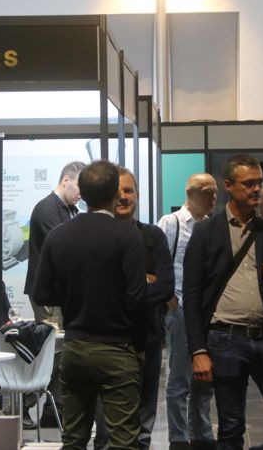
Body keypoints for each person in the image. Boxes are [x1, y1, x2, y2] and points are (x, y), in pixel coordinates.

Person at [184, 154, 263, 450]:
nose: (257, 189)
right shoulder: (206, 232)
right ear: (228, 186)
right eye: (249, 183)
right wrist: (199, 350)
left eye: (259, 182)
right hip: (224, 340)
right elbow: (192, 294)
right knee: (230, 428)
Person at [32, 160, 147, 450]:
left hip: (75, 347)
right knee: (123, 441)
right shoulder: (128, 235)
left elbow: (41, 293)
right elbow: (137, 298)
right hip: (117, 348)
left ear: (82, 192)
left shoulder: (59, 235)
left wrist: (73, 296)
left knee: (73, 439)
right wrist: (140, 346)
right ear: (115, 193)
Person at [93, 167, 175, 450]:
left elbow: (165, 287)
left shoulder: (153, 236)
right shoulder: (95, 239)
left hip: (148, 339)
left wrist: (120, 288)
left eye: (128, 190)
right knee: (106, 428)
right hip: (106, 342)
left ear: (137, 195)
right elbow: (93, 289)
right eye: (116, 192)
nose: (123, 197)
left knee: (143, 423)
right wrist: (144, 281)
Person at [157, 173, 218, 450]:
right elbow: (156, 265)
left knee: (203, 378)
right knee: (180, 378)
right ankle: (179, 438)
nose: (212, 197)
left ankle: (201, 434)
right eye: (206, 191)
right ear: (190, 193)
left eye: (215, 191)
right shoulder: (171, 223)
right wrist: (169, 297)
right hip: (181, 307)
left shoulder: (212, 226)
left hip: (205, 310)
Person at [23, 160, 85, 428]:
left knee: (60, 353)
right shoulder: (47, 209)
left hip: (63, 295)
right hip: (49, 296)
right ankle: (21, 402)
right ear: (65, 180)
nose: (82, 194)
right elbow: (65, 248)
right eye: (79, 187)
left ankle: (52, 410)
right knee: (52, 354)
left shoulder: (70, 210)